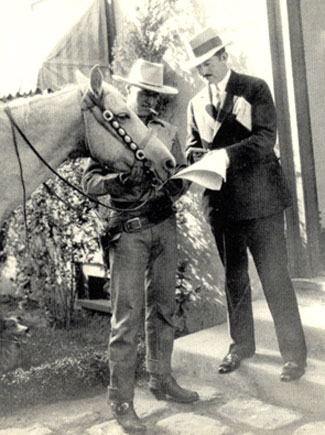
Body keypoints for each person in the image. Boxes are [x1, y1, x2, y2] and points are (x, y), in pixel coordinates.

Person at [82, 59, 199, 434]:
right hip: (129, 232)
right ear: (129, 92)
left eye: (156, 95)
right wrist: (117, 180)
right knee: (127, 318)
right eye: (144, 93)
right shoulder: (112, 128)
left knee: (164, 307)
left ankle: (161, 379)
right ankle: (121, 400)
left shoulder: (167, 131)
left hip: (164, 226)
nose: (150, 101)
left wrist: (183, 182)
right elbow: (89, 182)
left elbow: (180, 173)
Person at [184, 27, 307, 383]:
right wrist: (196, 156)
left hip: (261, 201)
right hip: (222, 206)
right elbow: (193, 146)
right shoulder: (195, 104)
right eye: (198, 67)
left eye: (207, 63)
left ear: (223, 57)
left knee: (274, 277)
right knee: (233, 279)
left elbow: (266, 140)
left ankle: (294, 355)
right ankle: (240, 346)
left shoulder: (254, 88)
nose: (203, 71)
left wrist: (223, 155)